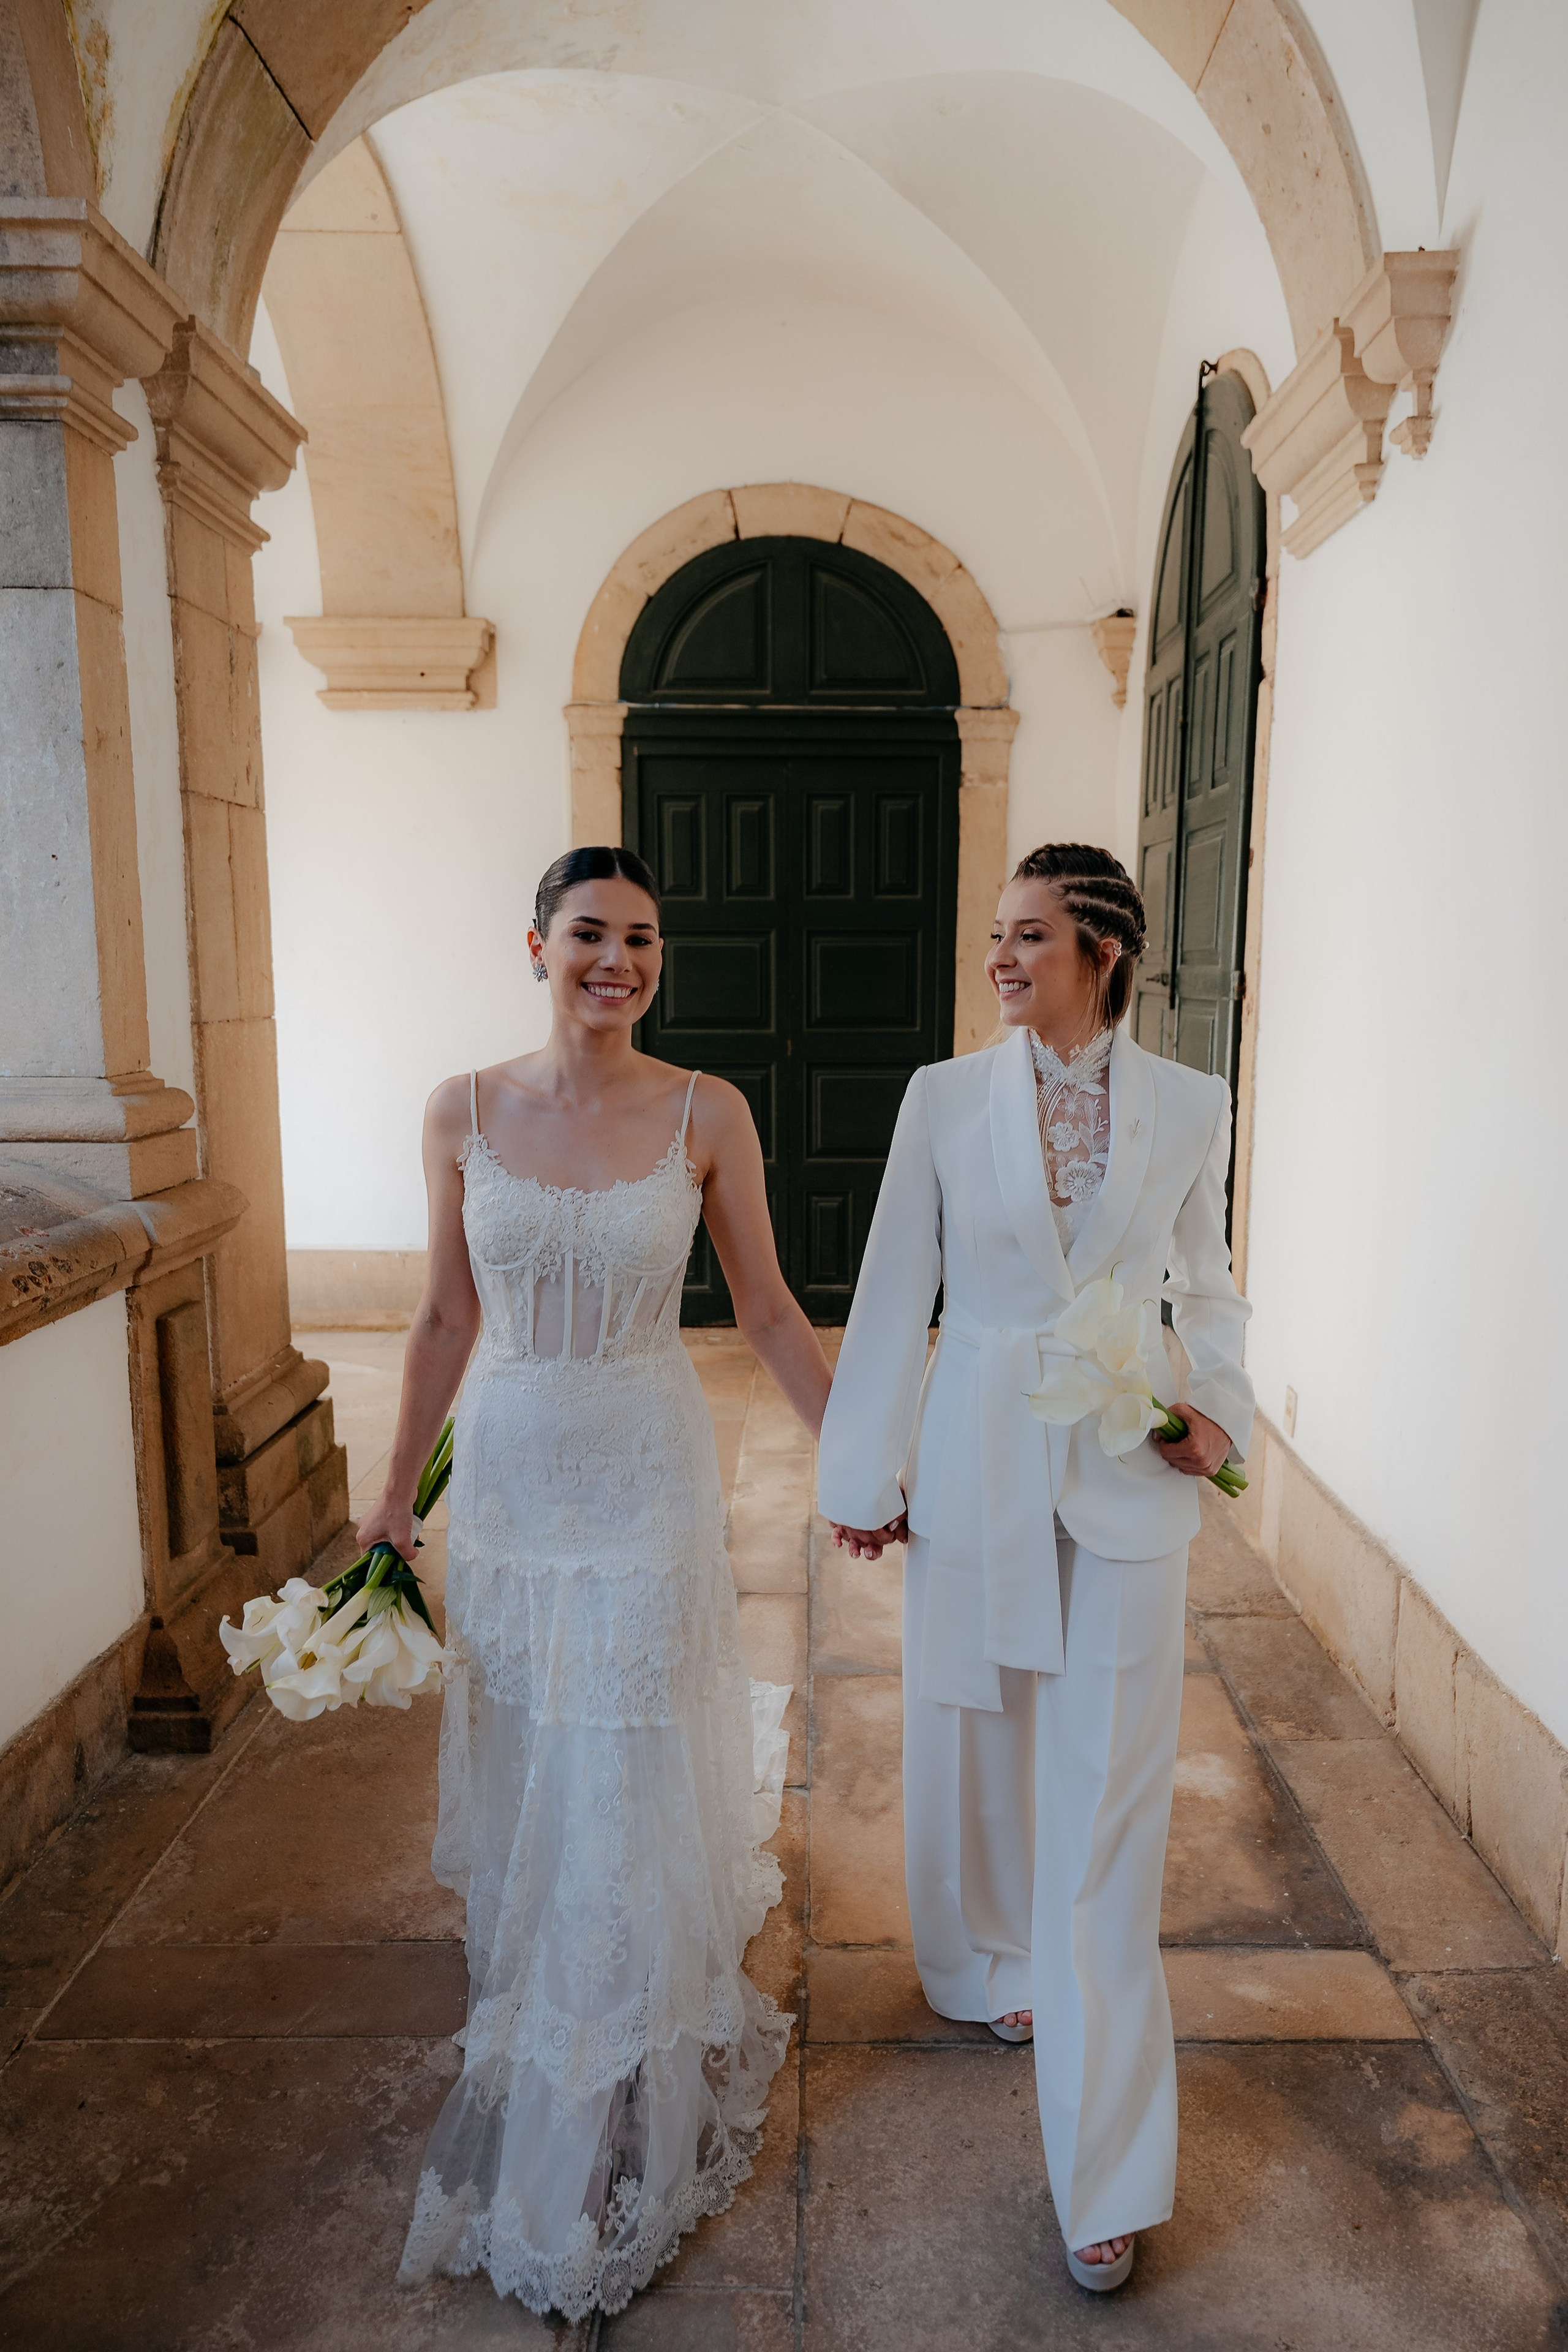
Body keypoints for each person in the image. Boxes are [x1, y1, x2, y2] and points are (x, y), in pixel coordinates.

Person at [374, 846, 832, 2319]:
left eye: (640, 940)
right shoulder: (460, 1108)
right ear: (536, 945)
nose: (616, 961)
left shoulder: (708, 1111)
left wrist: (878, 1459)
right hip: (512, 1472)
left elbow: (762, 1307)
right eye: (589, 934)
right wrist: (392, 1499)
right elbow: (444, 1313)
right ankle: (559, 1984)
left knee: (620, 1749)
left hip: (642, 1464)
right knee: (531, 1739)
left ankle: (617, 2047)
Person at [818, 842, 1253, 2295]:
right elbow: (894, 1285)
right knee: (977, 1736)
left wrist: (1217, 1411)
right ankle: (981, 1963)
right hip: (978, 1458)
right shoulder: (943, 1099)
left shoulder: (1188, 1107)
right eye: (995, 937)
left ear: (1102, 951)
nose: (998, 960)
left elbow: (1209, 1281)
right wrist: (863, 1469)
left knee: (1107, 1820)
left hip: (1128, 1480)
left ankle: (1104, 2170)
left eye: (1026, 937)